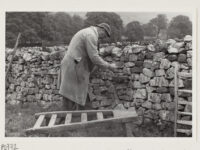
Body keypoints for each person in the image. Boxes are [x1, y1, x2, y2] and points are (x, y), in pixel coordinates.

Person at [58, 23, 118, 110]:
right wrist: (109, 66)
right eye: (105, 35)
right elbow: (94, 57)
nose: (103, 38)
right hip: (74, 67)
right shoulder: (91, 35)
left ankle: (79, 119)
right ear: (101, 29)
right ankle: (65, 121)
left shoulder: (87, 32)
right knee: (70, 97)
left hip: (74, 65)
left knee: (77, 96)